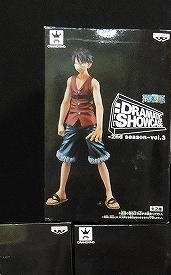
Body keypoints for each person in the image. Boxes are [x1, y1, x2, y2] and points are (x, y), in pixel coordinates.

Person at [46, 47, 119, 210]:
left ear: (89, 64)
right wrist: (60, 123)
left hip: (89, 123)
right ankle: (61, 192)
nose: (79, 65)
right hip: (72, 123)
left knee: (100, 158)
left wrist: (99, 127)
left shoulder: (93, 82)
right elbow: (65, 102)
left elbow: (99, 104)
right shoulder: (70, 80)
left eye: (82, 62)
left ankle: (109, 194)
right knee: (65, 157)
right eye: (76, 62)